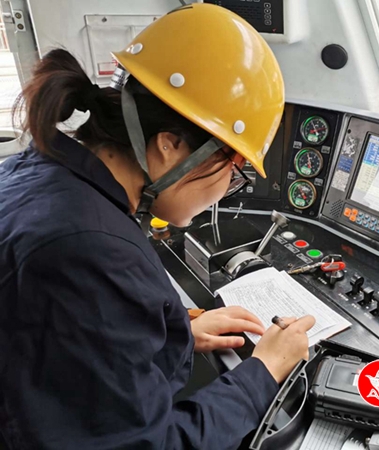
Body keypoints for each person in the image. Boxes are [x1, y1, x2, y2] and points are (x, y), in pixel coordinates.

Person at [0, 4, 315, 449]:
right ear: (170, 146)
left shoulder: (39, 172)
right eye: (233, 170)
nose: (227, 190)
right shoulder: (88, 252)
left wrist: (175, 335)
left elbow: (77, 347)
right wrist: (263, 373)